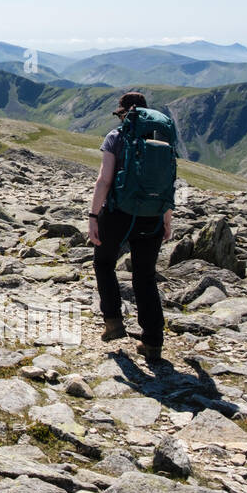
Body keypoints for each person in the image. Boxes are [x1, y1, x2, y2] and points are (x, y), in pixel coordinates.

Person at [88, 91, 177, 364]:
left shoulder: (116, 137)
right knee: (145, 277)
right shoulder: (162, 138)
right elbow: (168, 181)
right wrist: (166, 218)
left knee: (104, 263)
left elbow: (104, 180)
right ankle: (153, 343)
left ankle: (113, 323)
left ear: (125, 112)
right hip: (152, 214)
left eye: (120, 113)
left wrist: (93, 215)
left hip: (119, 213)